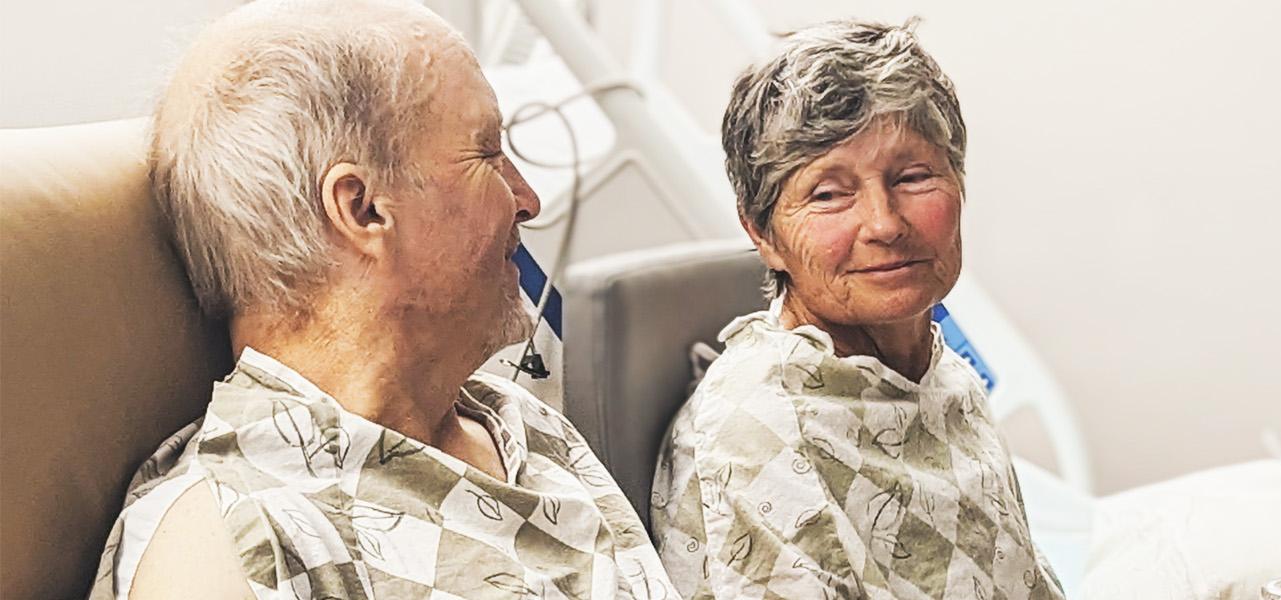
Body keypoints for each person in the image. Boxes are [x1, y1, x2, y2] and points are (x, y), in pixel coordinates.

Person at [88, 1, 679, 598]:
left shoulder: (520, 424)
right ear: (362, 208)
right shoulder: (233, 540)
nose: (526, 200)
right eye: (487, 154)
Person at [650, 19, 1067, 600]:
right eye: (827, 193)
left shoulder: (944, 379)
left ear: (959, 184)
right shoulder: (762, 428)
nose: (885, 224)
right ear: (763, 234)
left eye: (913, 177)